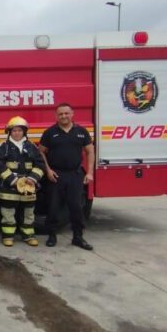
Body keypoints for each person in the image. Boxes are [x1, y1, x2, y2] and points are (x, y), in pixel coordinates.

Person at [39, 103, 95, 251]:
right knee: (53, 207)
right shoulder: (50, 132)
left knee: (76, 207)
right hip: (56, 175)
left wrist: (89, 173)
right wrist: (48, 170)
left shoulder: (81, 132)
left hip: (75, 174)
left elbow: (90, 151)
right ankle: (52, 236)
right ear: (56, 116)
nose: (63, 116)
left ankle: (78, 237)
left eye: (66, 113)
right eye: (60, 114)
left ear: (72, 114)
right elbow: (41, 152)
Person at [0, 116, 45, 247]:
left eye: (19, 130)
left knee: (28, 212)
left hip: (29, 185)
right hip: (8, 186)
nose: (17, 133)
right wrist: (13, 180)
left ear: (24, 132)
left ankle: (28, 235)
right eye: (14, 130)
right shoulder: (3, 146)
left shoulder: (31, 146)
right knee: (8, 212)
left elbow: (40, 164)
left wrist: (32, 178)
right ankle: (8, 236)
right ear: (9, 132)